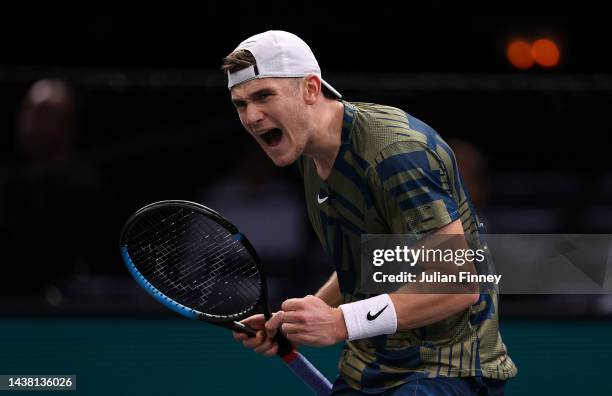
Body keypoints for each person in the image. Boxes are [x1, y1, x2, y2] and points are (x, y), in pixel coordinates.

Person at [223, 31, 517, 395]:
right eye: (240, 104)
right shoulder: (312, 157)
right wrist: (309, 313)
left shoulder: (393, 153)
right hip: (368, 370)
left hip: (446, 371)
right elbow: (372, 260)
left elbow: (457, 284)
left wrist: (339, 321)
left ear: (311, 89)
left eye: (264, 95)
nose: (252, 116)